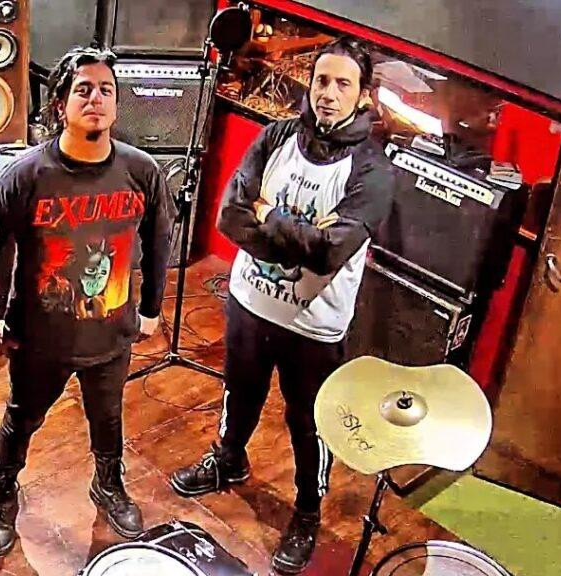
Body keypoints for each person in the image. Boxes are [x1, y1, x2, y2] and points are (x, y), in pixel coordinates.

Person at [169, 38, 394, 574]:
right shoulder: (275, 137)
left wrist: (268, 217)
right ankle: (229, 459)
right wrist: (295, 238)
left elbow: (329, 253)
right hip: (250, 302)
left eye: (343, 84)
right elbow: (230, 217)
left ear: (363, 95)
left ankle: (308, 510)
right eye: (321, 81)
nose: (328, 94)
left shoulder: (372, 171)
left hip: (314, 327)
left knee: (309, 422)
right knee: (239, 391)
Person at [0, 46, 176, 556]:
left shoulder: (142, 170)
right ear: (60, 103)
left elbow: (160, 238)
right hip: (40, 339)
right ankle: (3, 492)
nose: (95, 99)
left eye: (106, 90)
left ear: (117, 104)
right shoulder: (27, 174)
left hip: (112, 335)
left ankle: (108, 483)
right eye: (83, 90)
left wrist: (151, 307)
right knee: (22, 418)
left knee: (108, 419)